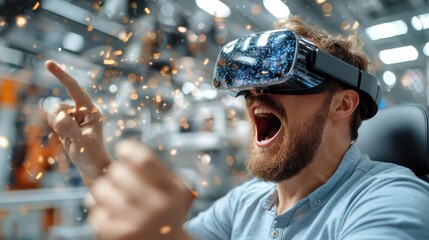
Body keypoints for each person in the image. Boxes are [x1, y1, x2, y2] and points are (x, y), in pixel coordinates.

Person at [45, 16, 429, 240]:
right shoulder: (246, 201)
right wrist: (95, 165)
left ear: (343, 103)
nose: (255, 94)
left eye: (283, 76)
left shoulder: (392, 198)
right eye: (250, 82)